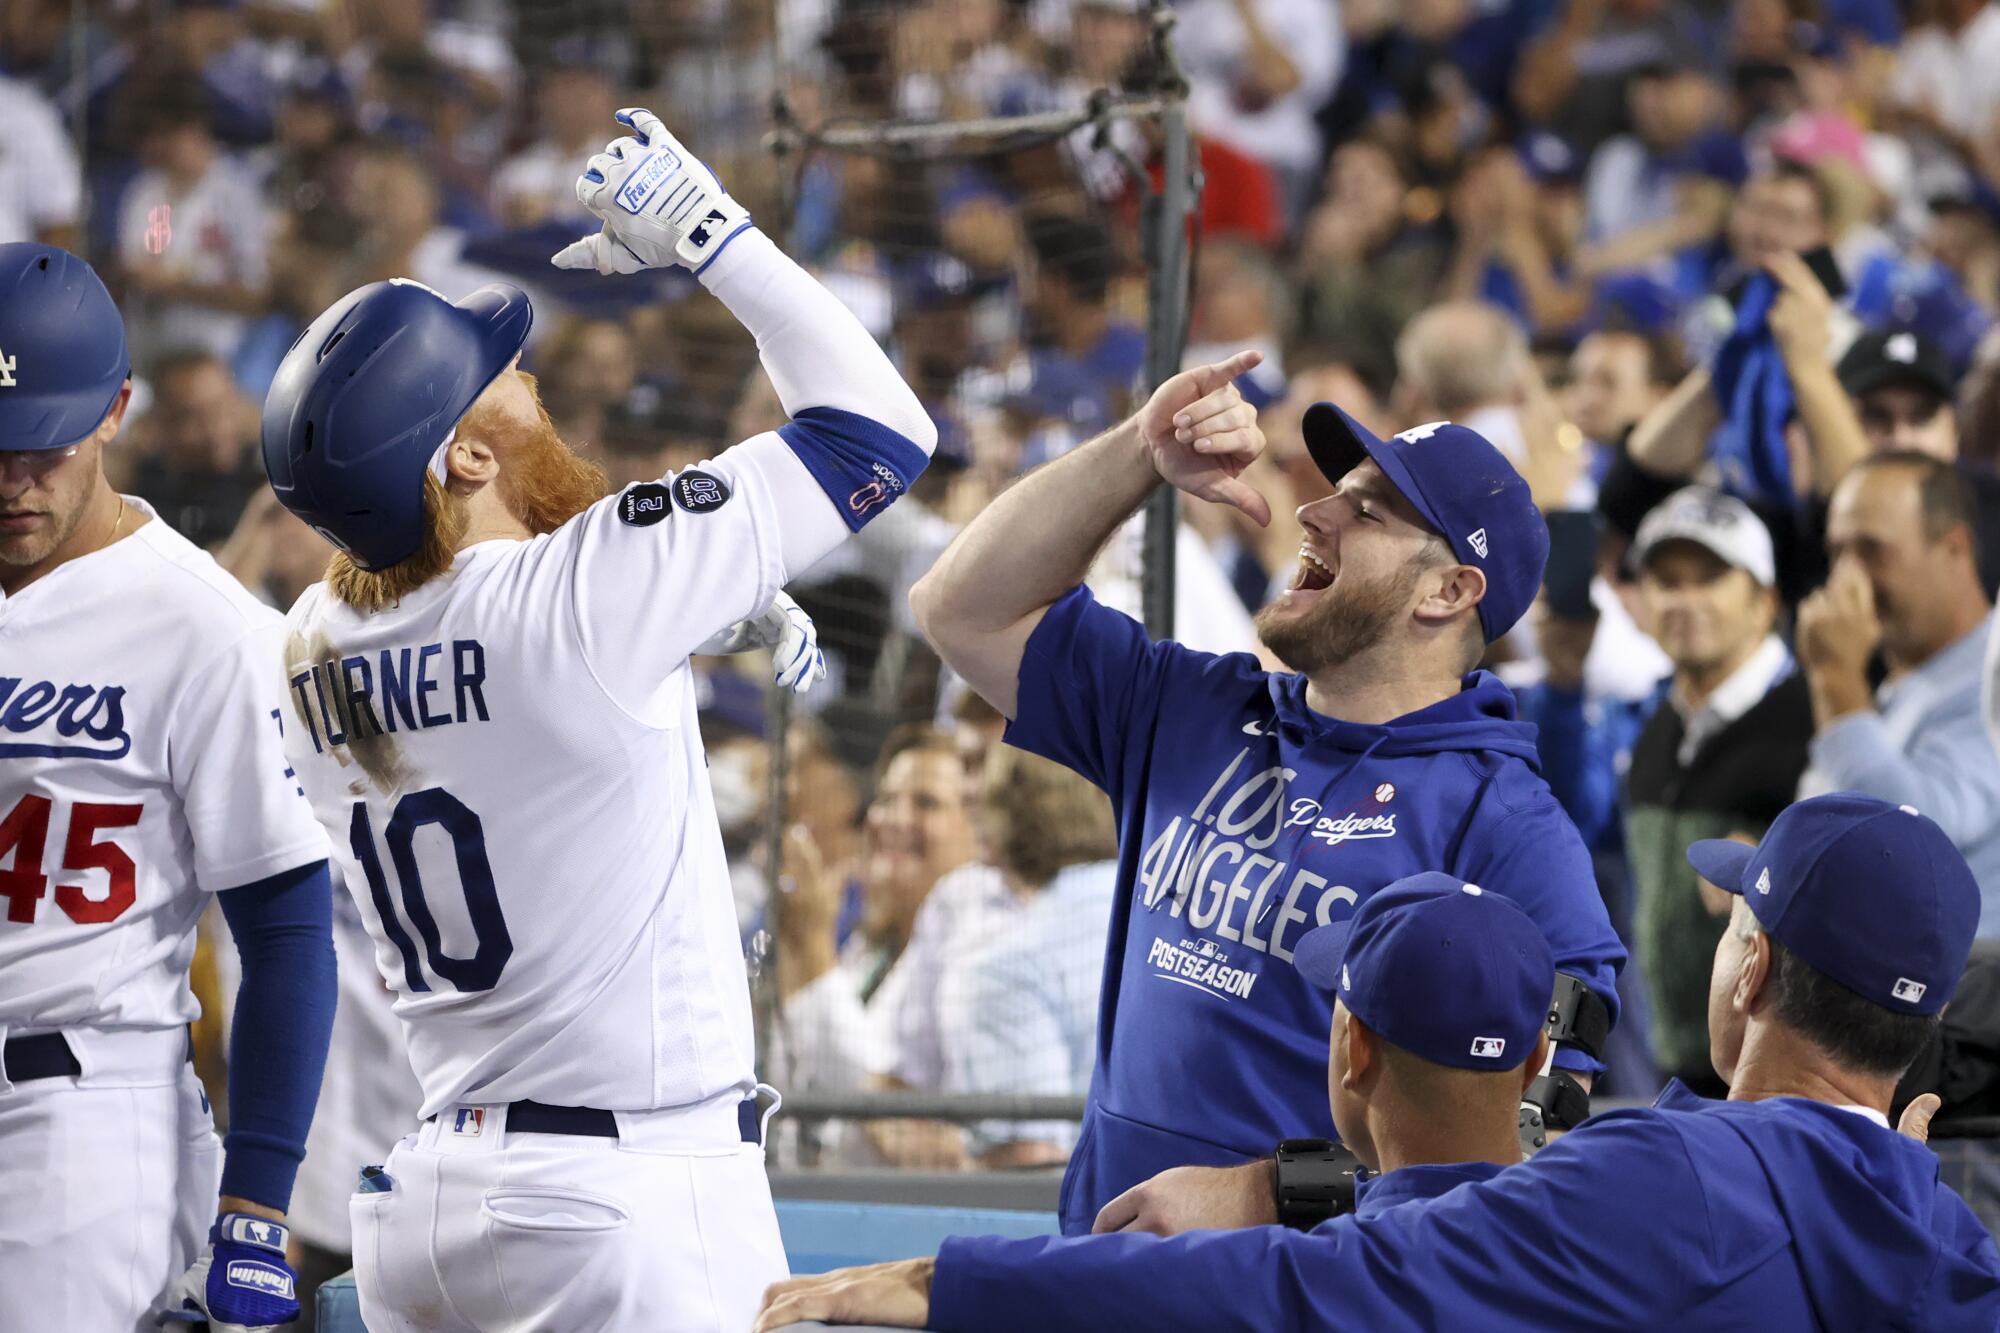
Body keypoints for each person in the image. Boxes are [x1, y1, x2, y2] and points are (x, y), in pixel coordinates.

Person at [263, 107, 935, 1332]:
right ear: (463, 460)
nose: (530, 377)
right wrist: (711, 239)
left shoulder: (307, 636)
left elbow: (468, 639)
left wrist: (684, 611)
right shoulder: (580, 595)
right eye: (500, 380)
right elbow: (883, 427)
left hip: (430, 1206)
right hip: (614, 1201)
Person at [754, 794, 2000, 1330]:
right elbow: (1543, 1205)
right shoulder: (1933, 1231)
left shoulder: (1672, 1186)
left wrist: (949, 1281)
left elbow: (1301, 1297)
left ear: (1751, 972)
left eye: (1734, 918)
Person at [906, 357, 1624, 1236]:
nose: (1313, 513)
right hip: (1101, 1267)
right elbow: (960, 608)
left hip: (1296, 1295)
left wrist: (1274, 1192)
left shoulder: (1511, 828)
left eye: (1365, 512)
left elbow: (1538, 1132)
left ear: (1450, 590)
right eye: (1334, 492)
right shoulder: (1192, 707)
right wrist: (1142, 452)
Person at [0, 243, 336, 1331]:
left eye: (40, 445)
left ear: (113, 410)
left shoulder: (206, 627)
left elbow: (285, 928)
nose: (12, 479)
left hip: (77, 1122)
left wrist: (255, 1203)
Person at [1624, 488, 1813, 1093]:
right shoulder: (1659, 724)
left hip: (1782, 1076)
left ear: (1765, 602)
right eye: (1667, 580)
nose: (1684, 599)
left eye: (1709, 578)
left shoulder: (1816, 721)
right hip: (1677, 1067)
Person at [1798, 451, 2000, 929]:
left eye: (1871, 550)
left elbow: (1911, 840)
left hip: (1974, 993)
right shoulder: (1903, 682)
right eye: (1837, 552)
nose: (1846, 579)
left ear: (1954, 548)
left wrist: (1834, 676)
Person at [942, 745, 1119, 1168]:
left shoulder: (1001, 969)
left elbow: (1027, 1164)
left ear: (1000, 819)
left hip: (1110, 1223)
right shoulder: (1168, 908)